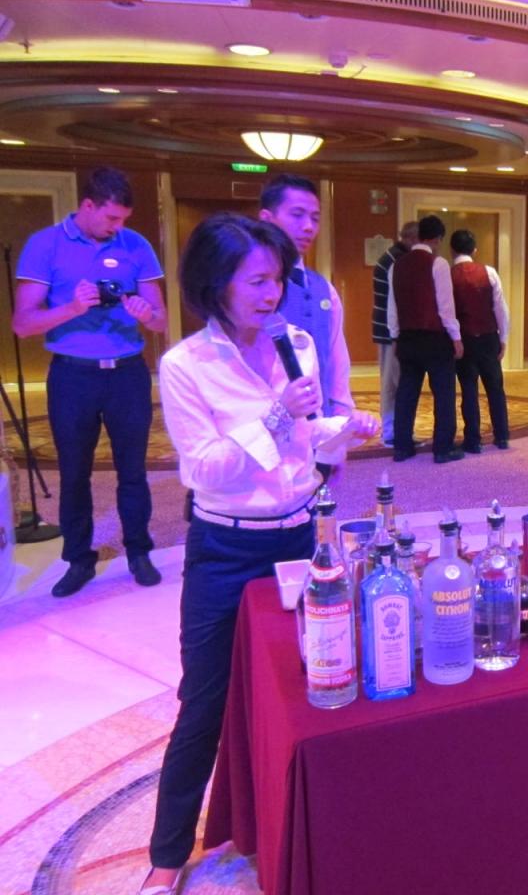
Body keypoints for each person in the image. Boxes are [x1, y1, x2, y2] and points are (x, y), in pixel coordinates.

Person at [139, 214, 377, 895]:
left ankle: (298, 826)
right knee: (204, 701)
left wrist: (345, 429)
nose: (273, 293)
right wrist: (276, 413)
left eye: (278, 279)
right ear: (216, 282)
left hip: (300, 539)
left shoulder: (294, 341)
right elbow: (204, 469)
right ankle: (167, 853)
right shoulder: (186, 365)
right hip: (226, 547)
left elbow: (306, 437)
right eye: (258, 281)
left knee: (310, 682)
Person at [13, 166, 167, 596]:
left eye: (124, 219)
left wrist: (146, 314)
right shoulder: (44, 244)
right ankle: (79, 560)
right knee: (74, 473)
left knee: (132, 471)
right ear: (87, 205)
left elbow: (160, 320)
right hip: (72, 376)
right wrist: (72, 308)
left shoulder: (136, 245)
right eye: (112, 218)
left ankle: (139, 552)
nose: (118, 227)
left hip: (128, 374)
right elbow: (22, 324)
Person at [259, 174, 354, 419]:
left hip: (319, 423)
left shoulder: (324, 289)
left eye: (315, 218)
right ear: (267, 219)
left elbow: (336, 360)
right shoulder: (246, 289)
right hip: (262, 422)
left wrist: (342, 416)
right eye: (297, 215)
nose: (308, 227)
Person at [387, 215, 463, 463]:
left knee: (406, 392)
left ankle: (402, 447)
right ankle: (443, 448)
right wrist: (456, 337)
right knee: (444, 394)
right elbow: (445, 306)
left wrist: (395, 335)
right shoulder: (438, 264)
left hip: (407, 338)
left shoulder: (396, 266)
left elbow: (392, 307)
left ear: (419, 235)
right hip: (435, 338)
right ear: (438, 239)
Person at [450, 228, 511, 453]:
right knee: (495, 388)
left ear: (452, 250)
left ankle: (473, 440)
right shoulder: (489, 272)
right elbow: (500, 308)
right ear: (474, 250)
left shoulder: (448, 275)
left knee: (468, 390)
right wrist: (503, 337)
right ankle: (502, 436)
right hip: (488, 337)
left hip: (463, 339)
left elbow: (447, 312)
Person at [372, 221, 419, 447]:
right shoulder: (396, 261)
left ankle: (401, 431)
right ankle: (391, 433)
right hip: (390, 332)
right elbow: (397, 302)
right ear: (410, 239)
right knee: (392, 385)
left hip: (390, 331)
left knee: (397, 383)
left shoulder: (393, 257)